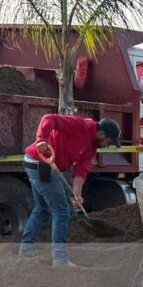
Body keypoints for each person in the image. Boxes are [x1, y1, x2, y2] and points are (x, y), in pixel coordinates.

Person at [18, 114, 121, 267]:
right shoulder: (80, 126)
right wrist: (42, 141)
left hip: (37, 164)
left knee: (42, 208)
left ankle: (25, 249)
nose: (108, 145)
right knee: (61, 210)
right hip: (41, 163)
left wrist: (77, 194)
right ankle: (60, 259)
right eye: (109, 142)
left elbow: (81, 171)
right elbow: (48, 119)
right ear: (101, 134)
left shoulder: (92, 148)